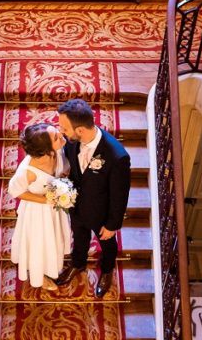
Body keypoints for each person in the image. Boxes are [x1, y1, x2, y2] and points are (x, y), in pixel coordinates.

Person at [54, 98, 131, 297]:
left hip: (101, 213)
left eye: (64, 127)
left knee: (107, 245)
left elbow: (120, 195)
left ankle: (106, 270)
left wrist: (113, 225)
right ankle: (78, 263)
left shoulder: (117, 156)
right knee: (79, 237)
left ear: (80, 129)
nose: (61, 131)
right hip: (77, 206)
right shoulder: (72, 143)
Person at [7, 122, 71, 291]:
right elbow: (16, 191)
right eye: (56, 137)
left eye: (57, 131)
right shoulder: (27, 171)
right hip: (38, 212)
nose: (61, 136)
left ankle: (53, 262)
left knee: (55, 238)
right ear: (44, 150)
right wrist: (47, 200)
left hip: (55, 207)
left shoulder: (57, 149)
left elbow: (63, 168)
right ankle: (40, 276)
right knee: (40, 245)